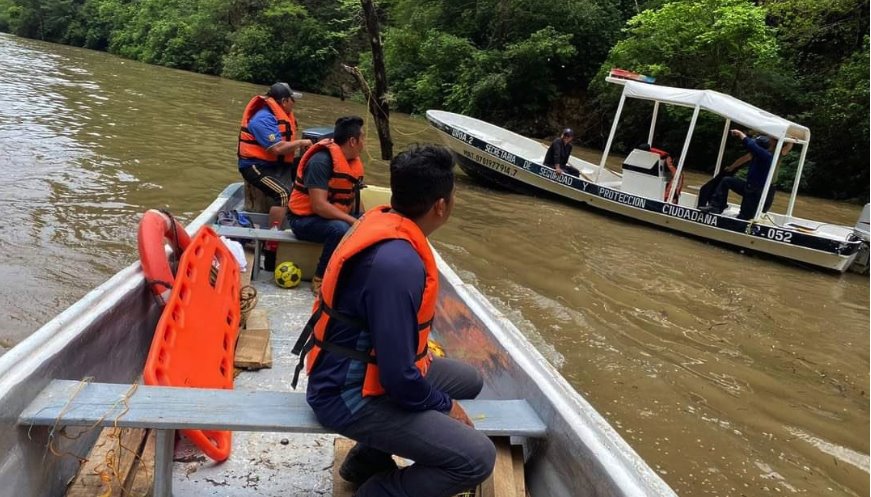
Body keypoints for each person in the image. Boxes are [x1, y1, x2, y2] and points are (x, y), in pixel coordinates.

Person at [291, 144, 496, 497]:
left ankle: (365, 460)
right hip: (346, 394)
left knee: (469, 379)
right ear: (441, 206)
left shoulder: (384, 222)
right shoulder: (396, 266)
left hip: (364, 371)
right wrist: (446, 407)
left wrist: (439, 398)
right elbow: (399, 378)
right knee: (477, 457)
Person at [289, 116, 366, 295]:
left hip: (332, 216)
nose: (365, 143)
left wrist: (364, 219)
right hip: (303, 219)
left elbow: (353, 196)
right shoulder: (321, 162)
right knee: (339, 229)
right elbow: (319, 206)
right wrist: (352, 221)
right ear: (353, 141)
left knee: (373, 223)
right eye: (363, 138)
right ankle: (320, 278)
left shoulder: (350, 161)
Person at [238, 82, 313, 219]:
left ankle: (302, 211)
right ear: (284, 101)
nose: (294, 103)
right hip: (255, 166)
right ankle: (273, 233)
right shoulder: (263, 119)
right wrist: (301, 142)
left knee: (310, 164)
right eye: (293, 100)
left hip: (274, 163)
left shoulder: (280, 115)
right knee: (282, 194)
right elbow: (277, 148)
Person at [700, 130, 774, 219]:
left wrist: (741, 134)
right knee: (726, 181)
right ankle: (716, 206)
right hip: (748, 186)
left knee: (744, 217)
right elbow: (745, 156)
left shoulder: (766, 156)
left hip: (755, 192)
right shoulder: (756, 155)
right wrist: (732, 167)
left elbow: (751, 145)